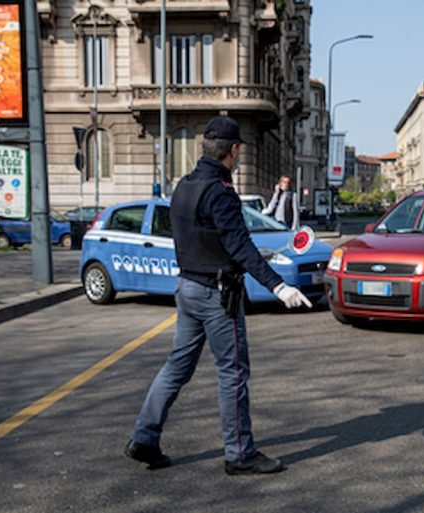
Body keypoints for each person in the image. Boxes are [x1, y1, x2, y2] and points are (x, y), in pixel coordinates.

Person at [125, 116, 312, 475]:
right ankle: (239, 452)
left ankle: (144, 437)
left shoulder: (185, 186)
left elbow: (204, 236)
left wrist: (253, 258)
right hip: (216, 296)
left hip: (188, 289)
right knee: (233, 371)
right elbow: (239, 244)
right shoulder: (220, 191)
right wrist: (279, 285)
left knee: (176, 366)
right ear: (234, 150)